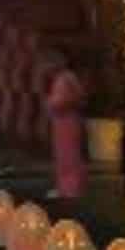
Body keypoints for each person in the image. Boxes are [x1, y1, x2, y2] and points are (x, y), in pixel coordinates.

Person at [44, 48, 88, 201]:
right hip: (64, 121)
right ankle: (66, 187)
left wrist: (50, 104)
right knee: (64, 154)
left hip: (66, 121)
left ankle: (70, 189)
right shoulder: (68, 78)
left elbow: (63, 100)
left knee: (68, 155)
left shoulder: (65, 79)